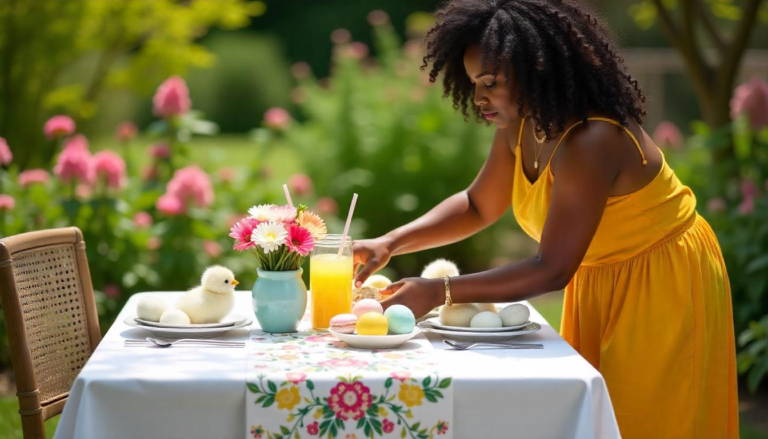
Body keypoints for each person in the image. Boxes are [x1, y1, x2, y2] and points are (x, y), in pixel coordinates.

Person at [351, 1, 738, 437]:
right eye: (475, 82)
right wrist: (391, 242)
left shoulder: (593, 139)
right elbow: (479, 205)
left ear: (536, 71)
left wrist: (437, 291)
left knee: (650, 422)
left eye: (491, 83)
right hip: (598, 280)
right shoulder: (521, 126)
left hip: (661, 282)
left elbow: (551, 269)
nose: (479, 97)